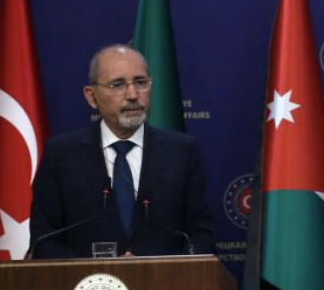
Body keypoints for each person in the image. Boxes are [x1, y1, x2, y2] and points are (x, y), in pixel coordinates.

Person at [30, 44, 214, 258]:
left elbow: (202, 234)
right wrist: (98, 279)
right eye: (117, 85)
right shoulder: (61, 155)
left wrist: (162, 274)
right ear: (92, 96)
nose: (133, 94)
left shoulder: (182, 151)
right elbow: (44, 240)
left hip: (166, 288)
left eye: (141, 82)